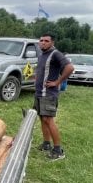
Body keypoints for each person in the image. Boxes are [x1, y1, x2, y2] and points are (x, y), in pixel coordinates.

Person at [34, 33, 74, 161]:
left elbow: (70, 67)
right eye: (41, 40)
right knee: (42, 119)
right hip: (39, 93)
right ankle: (46, 144)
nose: (43, 42)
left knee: (48, 119)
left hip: (48, 94)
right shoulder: (42, 55)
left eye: (46, 41)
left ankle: (58, 150)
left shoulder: (56, 54)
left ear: (52, 43)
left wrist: (58, 82)